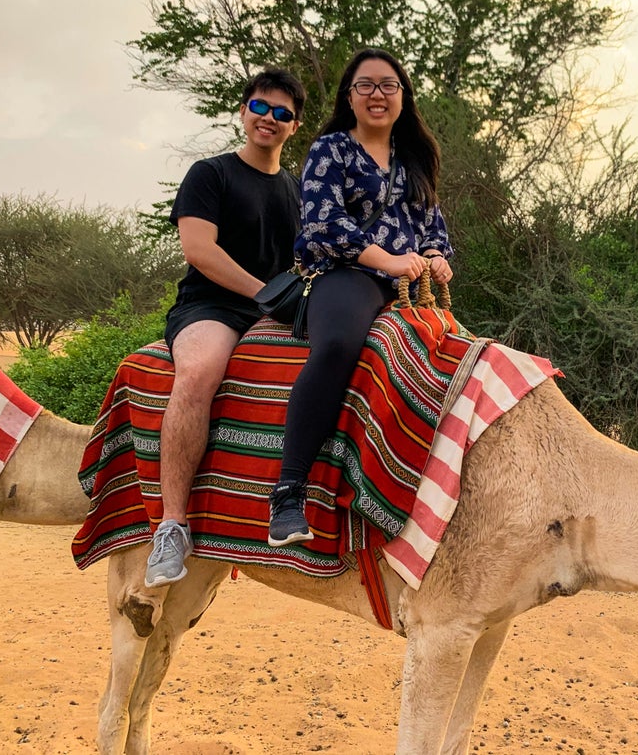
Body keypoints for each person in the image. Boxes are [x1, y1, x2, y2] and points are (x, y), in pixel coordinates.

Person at [267, 48, 453, 546]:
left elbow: (431, 224)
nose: (377, 94)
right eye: (365, 85)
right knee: (337, 346)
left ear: (402, 97)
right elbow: (323, 222)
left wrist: (437, 255)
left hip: (411, 285)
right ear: (350, 96)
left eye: (388, 85)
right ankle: (289, 492)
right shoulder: (330, 150)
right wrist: (386, 260)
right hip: (346, 273)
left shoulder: (415, 161)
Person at [145, 67, 306, 587]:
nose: (269, 119)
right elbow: (199, 250)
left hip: (274, 309)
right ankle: (172, 525)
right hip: (212, 305)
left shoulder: (296, 189)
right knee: (199, 371)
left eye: (282, 114)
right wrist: (265, 294)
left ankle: (292, 504)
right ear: (243, 111)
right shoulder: (209, 174)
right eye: (261, 107)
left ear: (293, 126)